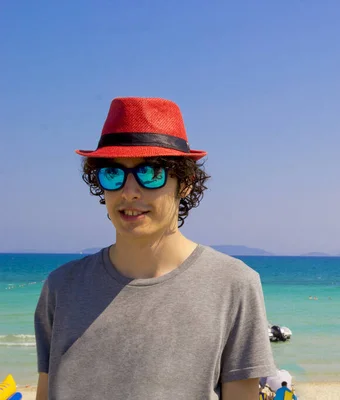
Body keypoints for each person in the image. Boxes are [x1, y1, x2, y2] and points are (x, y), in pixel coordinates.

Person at [33, 97, 277, 400]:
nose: (130, 192)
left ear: (185, 182)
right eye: (113, 174)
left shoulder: (234, 284)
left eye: (151, 173)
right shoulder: (61, 287)